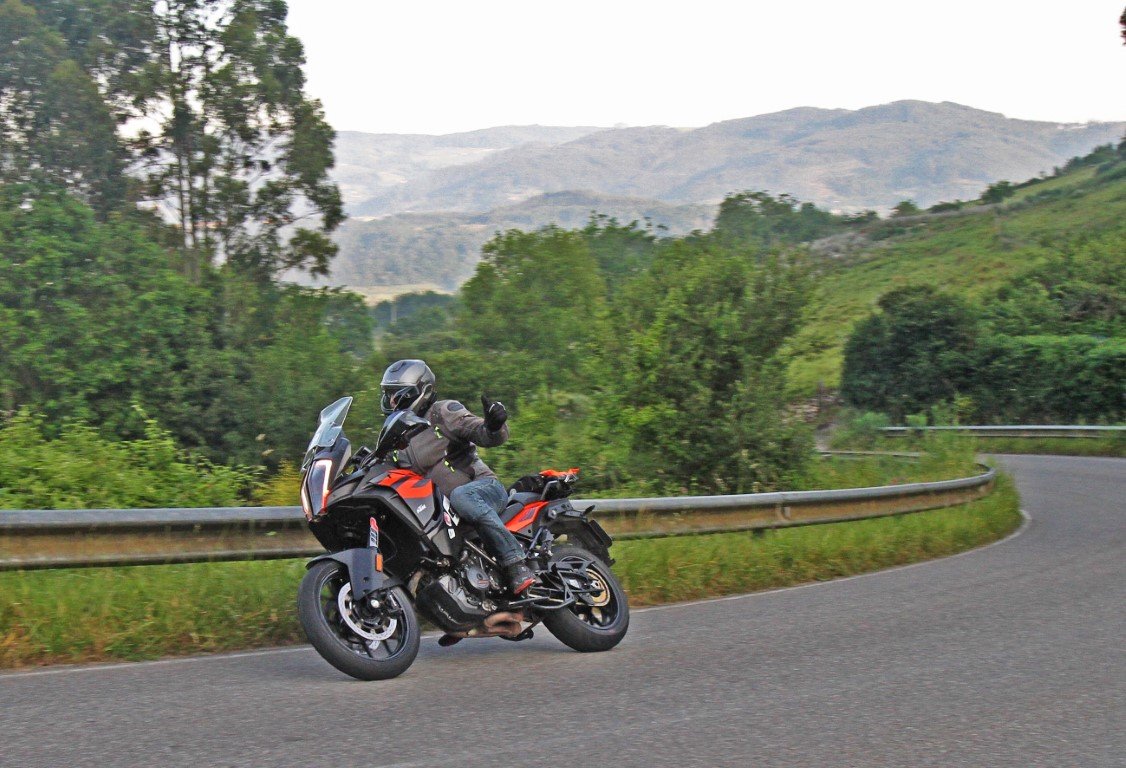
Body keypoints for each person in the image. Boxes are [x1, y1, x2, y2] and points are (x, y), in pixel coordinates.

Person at [379, 358, 537, 594]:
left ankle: (516, 563)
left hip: (482, 488)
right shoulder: (396, 435)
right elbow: (386, 472)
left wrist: (494, 426)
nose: (391, 401)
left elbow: (482, 432)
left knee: (461, 496)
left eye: (397, 395)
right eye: (388, 394)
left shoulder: (441, 413)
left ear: (420, 391)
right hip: (443, 510)